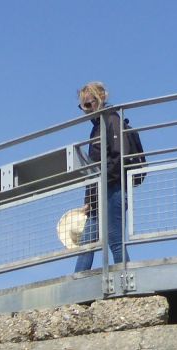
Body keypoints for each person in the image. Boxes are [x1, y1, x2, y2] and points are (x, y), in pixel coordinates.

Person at [73, 82, 143, 272]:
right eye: (83, 106)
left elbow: (119, 156)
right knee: (87, 242)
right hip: (101, 192)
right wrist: (89, 199)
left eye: (89, 104)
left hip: (114, 189)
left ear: (101, 99)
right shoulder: (97, 127)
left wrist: (101, 184)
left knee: (114, 239)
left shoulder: (112, 120)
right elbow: (93, 169)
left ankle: (125, 278)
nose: (86, 110)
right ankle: (78, 283)